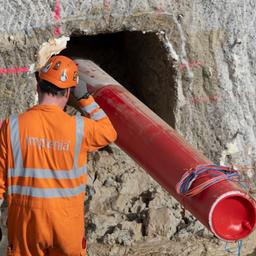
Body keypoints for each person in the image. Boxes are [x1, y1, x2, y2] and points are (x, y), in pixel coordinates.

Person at [0, 55, 117, 256]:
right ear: (68, 92)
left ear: (38, 87)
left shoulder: (12, 126)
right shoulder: (80, 128)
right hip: (67, 227)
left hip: (26, 225)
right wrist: (85, 98)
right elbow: (109, 132)